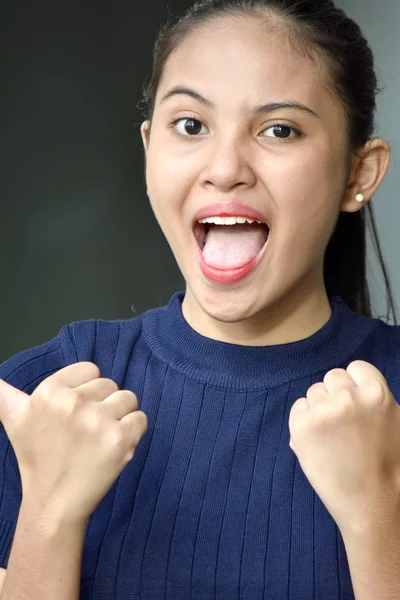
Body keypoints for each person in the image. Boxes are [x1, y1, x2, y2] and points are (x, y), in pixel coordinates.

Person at [0, 0, 399, 598]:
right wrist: (50, 512)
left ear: (357, 174)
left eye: (279, 130)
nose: (224, 168)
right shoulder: (37, 402)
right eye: (190, 125)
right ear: (147, 147)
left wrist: (376, 516)